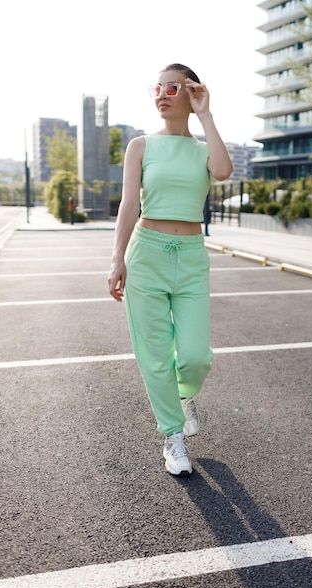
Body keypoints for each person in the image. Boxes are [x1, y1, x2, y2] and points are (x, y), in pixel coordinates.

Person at [108, 63, 233, 476]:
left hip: (192, 256)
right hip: (147, 255)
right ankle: (173, 437)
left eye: (172, 87)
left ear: (191, 92)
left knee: (196, 357)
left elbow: (223, 171)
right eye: (157, 88)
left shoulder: (202, 150)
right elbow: (129, 205)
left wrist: (206, 114)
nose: (161, 94)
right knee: (155, 357)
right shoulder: (140, 146)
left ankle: (182, 395)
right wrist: (117, 260)